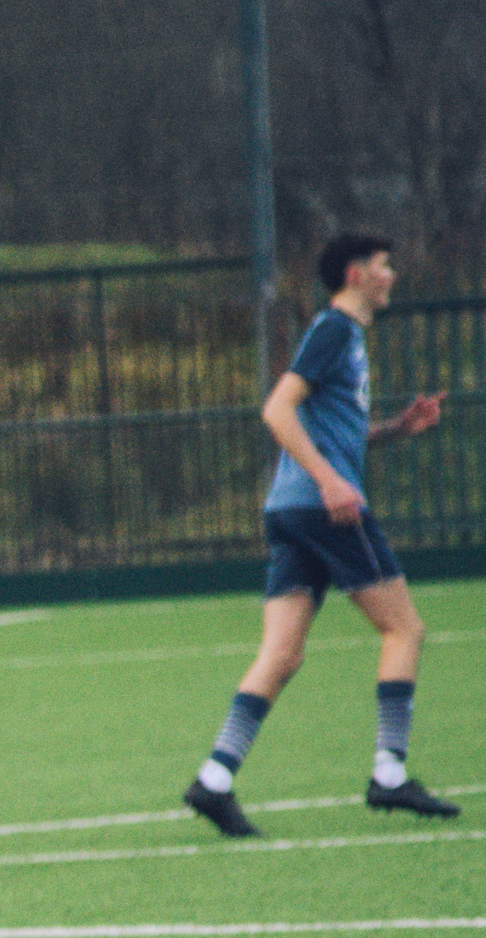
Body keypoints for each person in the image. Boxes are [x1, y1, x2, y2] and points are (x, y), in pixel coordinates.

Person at [184, 234, 455, 836]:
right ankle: (389, 774)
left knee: (281, 655)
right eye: (386, 265)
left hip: (290, 510)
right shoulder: (333, 330)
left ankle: (215, 779)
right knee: (403, 627)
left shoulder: (347, 338)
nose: (394, 273)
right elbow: (277, 410)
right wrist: (332, 483)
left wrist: (394, 430)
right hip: (320, 509)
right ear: (357, 275)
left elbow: (330, 432)